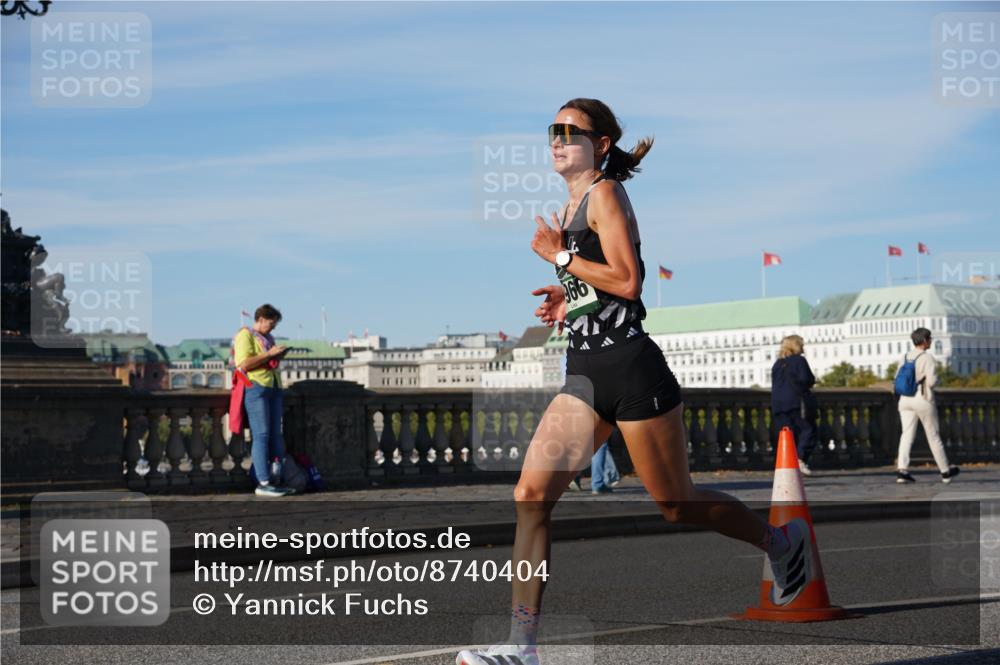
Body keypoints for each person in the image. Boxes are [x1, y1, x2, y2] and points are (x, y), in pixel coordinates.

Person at [456, 99, 809, 665]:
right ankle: (522, 647)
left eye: (571, 130)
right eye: (554, 130)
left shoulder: (605, 194)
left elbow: (629, 280)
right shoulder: (572, 201)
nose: (558, 137)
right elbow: (600, 284)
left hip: (632, 369)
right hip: (586, 373)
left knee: (676, 504)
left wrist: (561, 258)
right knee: (530, 497)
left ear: (601, 143)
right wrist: (565, 298)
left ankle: (780, 542)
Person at [232, 304, 293, 497]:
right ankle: (263, 482)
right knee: (262, 435)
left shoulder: (269, 338)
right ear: (260, 319)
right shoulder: (245, 335)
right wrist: (269, 354)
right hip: (255, 387)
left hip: (273, 387)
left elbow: (267, 362)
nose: (273, 328)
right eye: (271, 323)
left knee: (276, 434)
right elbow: (243, 363)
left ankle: (276, 479)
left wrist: (278, 356)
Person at [894, 327, 960, 484]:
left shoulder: (904, 357)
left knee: (906, 435)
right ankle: (945, 472)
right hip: (922, 399)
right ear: (924, 341)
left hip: (904, 400)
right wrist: (938, 380)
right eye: (929, 338)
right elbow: (931, 382)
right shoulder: (927, 358)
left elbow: (896, 378)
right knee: (933, 436)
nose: (931, 341)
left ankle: (902, 471)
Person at [770, 334, 819, 476]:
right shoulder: (799, 361)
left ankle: (789, 463)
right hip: (796, 402)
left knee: (788, 435)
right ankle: (800, 458)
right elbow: (806, 379)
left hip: (778, 404)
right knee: (808, 430)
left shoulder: (777, 364)